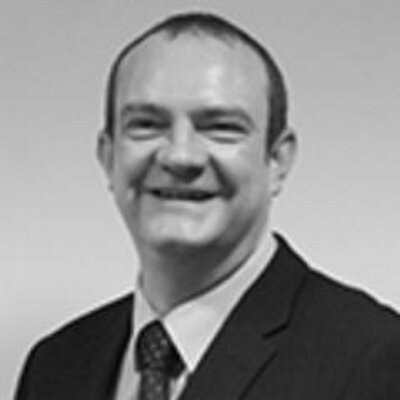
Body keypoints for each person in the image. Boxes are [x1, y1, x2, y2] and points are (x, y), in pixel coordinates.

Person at [15, 11, 400, 400]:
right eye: (146, 124)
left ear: (277, 161)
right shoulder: (54, 367)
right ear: (108, 157)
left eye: (221, 127)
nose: (180, 156)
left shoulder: (373, 360)